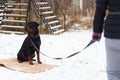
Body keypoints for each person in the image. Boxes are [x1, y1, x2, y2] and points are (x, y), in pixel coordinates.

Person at [92, 0, 120, 80]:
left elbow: (100, 9)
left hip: (112, 35)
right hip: (112, 33)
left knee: (113, 73)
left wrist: (97, 31)